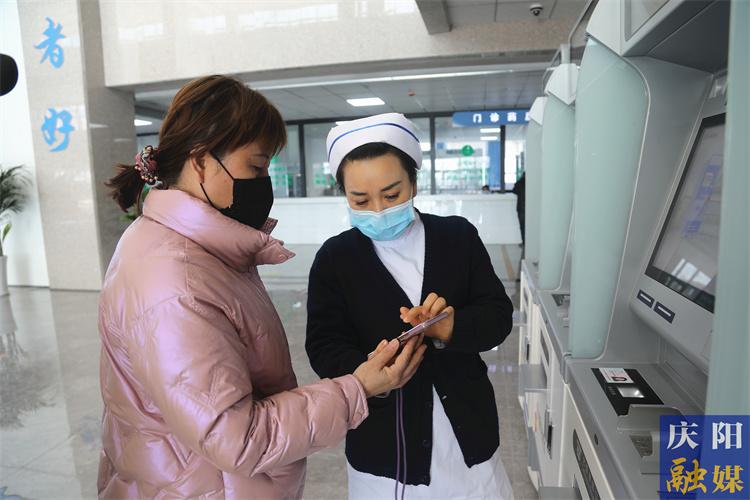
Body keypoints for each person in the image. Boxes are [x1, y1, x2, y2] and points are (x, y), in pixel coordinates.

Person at [98, 76, 425, 499]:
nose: (264, 182)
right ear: (201, 162)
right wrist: (357, 389)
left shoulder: (195, 251)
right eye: (255, 167)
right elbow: (236, 437)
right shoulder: (175, 282)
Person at [305, 113, 515, 499]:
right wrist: (370, 372)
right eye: (360, 200)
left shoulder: (457, 238)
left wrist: (449, 327)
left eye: (391, 195)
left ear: (414, 183)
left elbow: (498, 316)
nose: (378, 210)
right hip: (383, 448)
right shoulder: (335, 259)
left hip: (467, 437)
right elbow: (323, 345)